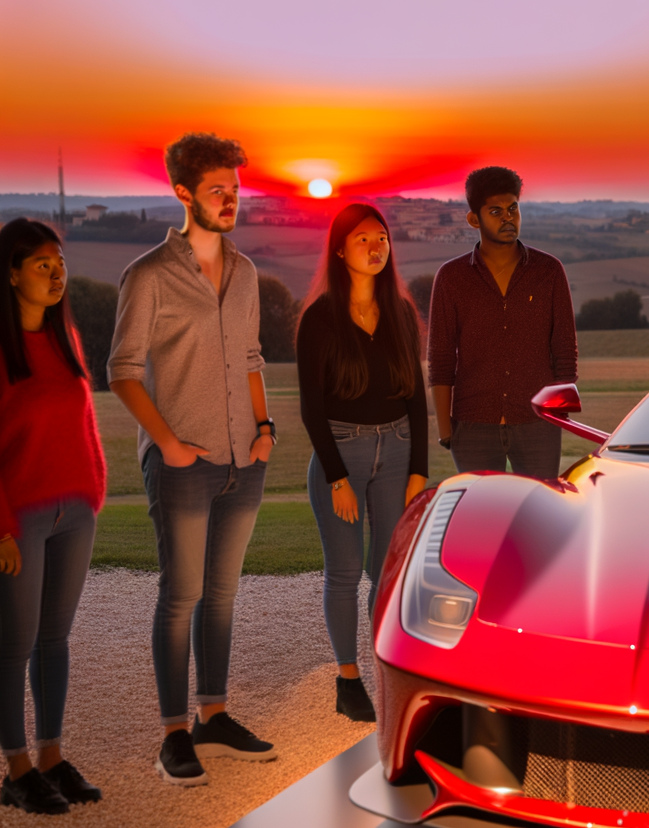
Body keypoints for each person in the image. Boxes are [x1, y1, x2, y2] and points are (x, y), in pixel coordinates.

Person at [108, 133, 277, 786]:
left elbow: (253, 358)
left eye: (235, 189)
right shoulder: (148, 276)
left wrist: (264, 430)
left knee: (223, 595)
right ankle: (174, 734)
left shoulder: (246, 273)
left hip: (245, 457)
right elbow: (122, 371)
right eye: (216, 190)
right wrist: (169, 445)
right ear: (183, 192)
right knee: (180, 595)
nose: (230, 200)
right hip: (181, 464)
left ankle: (215, 714)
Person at [297, 204, 428, 720]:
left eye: (381, 238)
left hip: (397, 451)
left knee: (387, 570)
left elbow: (416, 397)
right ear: (339, 249)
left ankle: (382, 666)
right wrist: (336, 478)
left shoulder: (399, 312)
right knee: (346, 570)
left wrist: (418, 469)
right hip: (342, 451)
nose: (375, 248)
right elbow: (311, 409)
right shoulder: (319, 320)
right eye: (362, 240)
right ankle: (348, 680)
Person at [0, 219, 105, 814]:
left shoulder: (64, 339)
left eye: (59, 262)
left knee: (54, 641)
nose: (56, 272)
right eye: (42, 264)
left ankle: (50, 757)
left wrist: (93, 489)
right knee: (13, 646)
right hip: (22, 518)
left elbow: (82, 422)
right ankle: (15, 770)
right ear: (11, 273)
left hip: (75, 512)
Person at [427, 167, 578, 479]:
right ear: (473, 219)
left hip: (537, 423)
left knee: (538, 516)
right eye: (495, 211)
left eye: (513, 209)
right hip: (472, 425)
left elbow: (564, 349)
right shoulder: (452, 278)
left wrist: (556, 419)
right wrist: (445, 430)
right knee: (481, 520)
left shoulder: (548, 271)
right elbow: (440, 358)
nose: (508, 218)